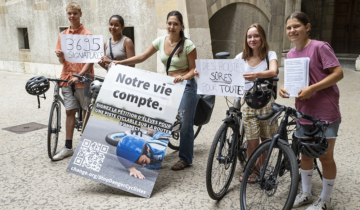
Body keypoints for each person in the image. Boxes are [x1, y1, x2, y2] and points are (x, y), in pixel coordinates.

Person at [112, 11, 198, 171]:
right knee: (159, 119)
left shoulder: (188, 45)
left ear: (181, 26)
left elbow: (194, 69)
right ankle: (151, 149)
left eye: (175, 24)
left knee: (186, 123)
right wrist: (120, 62)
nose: (172, 27)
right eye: (169, 23)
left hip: (186, 86)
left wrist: (184, 77)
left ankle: (185, 158)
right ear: (166, 24)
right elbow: (142, 57)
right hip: (168, 85)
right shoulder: (160, 41)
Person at [280, 12, 343, 210]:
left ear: (307, 27)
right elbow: (296, 79)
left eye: (296, 26)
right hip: (304, 112)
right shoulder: (291, 54)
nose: (292, 31)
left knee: (325, 156)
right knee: (305, 154)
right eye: (289, 27)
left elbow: (338, 73)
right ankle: (306, 193)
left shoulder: (320, 47)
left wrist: (313, 89)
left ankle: (325, 199)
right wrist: (285, 86)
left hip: (325, 112)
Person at [53, 2, 94, 161]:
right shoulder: (63, 35)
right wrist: (59, 56)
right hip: (67, 78)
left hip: (84, 79)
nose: (72, 16)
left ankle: (86, 145)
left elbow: (91, 60)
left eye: (75, 13)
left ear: (80, 14)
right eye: (69, 13)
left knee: (86, 111)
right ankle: (68, 147)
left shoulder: (87, 35)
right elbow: (63, 62)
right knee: (69, 111)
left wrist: (80, 74)